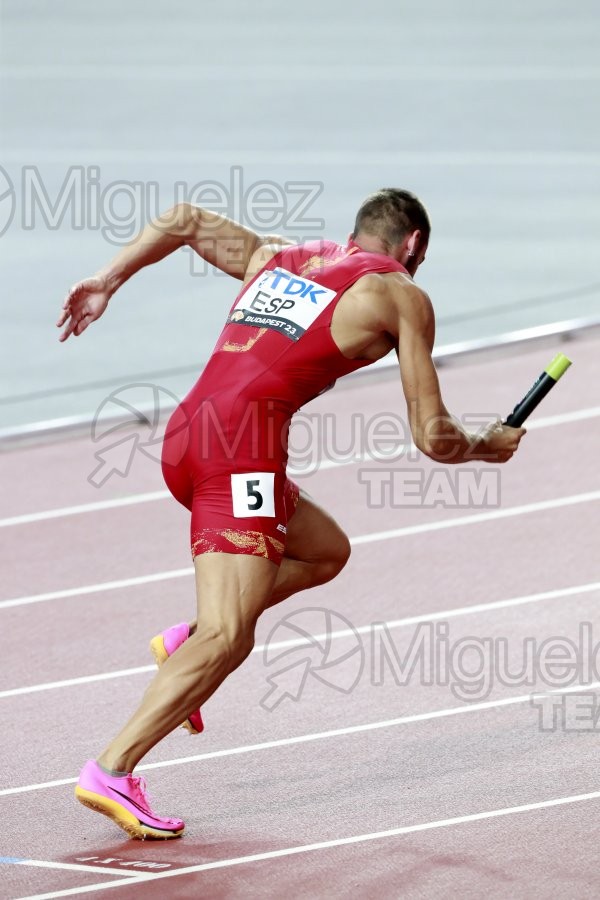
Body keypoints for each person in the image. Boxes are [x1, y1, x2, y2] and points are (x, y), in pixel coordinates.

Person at [57, 188, 525, 840]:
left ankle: (185, 640)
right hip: (240, 456)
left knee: (324, 550)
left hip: (188, 435)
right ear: (413, 245)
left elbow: (187, 217)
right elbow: (432, 436)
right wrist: (485, 447)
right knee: (232, 634)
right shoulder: (400, 295)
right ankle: (111, 768)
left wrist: (108, 281)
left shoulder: (286, 258)